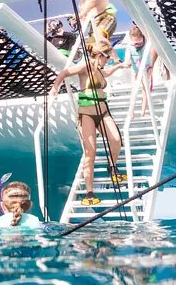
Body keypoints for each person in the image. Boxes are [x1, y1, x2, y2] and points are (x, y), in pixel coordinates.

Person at [49, 39, 130, 206]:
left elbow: (107, 73)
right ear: (100, 55)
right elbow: (64, 73)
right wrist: (55, 87)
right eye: (107, 58)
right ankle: (89, 193)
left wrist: (119, 66)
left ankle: (112, 167)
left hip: (103, 112)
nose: (108, 61)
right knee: (90, 153)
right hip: (87, 114)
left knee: (116, 140)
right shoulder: (85, 66)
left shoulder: (100, 70)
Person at [126, 25, 153, 117]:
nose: (137, 45)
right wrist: (127, 62)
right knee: (134, 89)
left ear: (143, 38)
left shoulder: (147, 44)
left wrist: (151, 67)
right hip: (136, 70)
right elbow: (127, 58)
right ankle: (131, 112)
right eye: (135, 43)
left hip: (146, 69)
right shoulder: (130, 47)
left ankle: (143, 111)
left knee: (145, 90)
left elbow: (150, 57)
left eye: (139, 42)